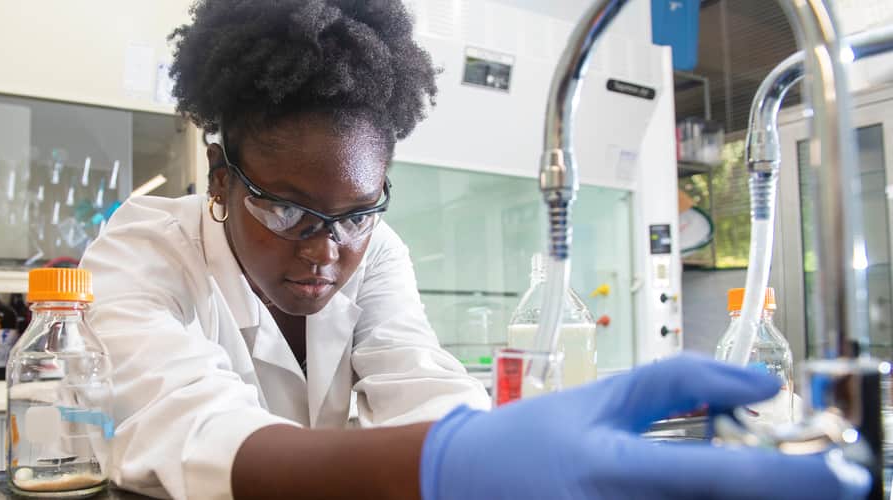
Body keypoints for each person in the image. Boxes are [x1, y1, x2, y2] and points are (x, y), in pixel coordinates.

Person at [80, 1, 869, 499]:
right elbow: (181, 429)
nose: (328, 249)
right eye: (290, 212)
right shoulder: (142, 252)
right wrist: (449, 464)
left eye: (357, 213)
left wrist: (488, 449)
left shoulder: (374, 251)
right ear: (221, 178)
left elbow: (417, 381)